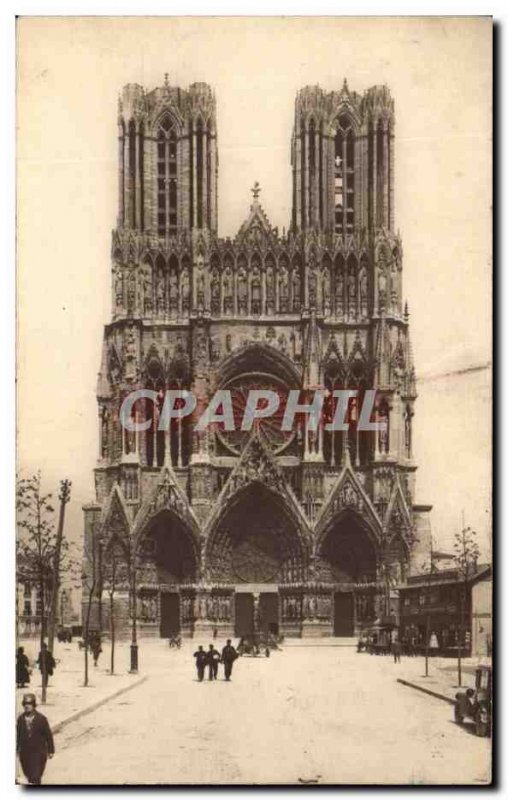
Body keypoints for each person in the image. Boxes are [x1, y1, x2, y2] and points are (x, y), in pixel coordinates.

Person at [16, 693, 55, 785]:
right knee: (28, 775)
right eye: (25, 704)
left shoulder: (41, 719)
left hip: (38, 753)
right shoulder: (21, 719)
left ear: (33, 705)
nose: (27, 706)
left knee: (35, 776)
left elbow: (48, 735)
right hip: (25, 753)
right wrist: (17, 748)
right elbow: (18, 735)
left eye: (29, 704)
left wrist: (51, 750)